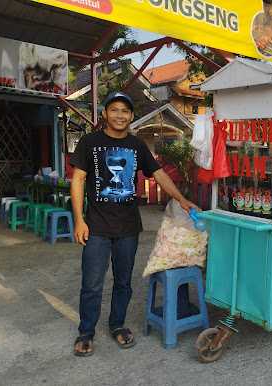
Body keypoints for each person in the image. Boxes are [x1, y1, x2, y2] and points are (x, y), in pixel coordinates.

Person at [70, 91, 197, 357]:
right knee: (92, 283)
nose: (119, 115)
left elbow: (160, 174)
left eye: (125, 111)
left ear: (130, 116)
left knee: (124, 282)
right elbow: (78, 180)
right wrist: (79, 219)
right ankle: (86, 332)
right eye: (114, 110)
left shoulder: (137, 145)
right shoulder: (89, 142)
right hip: (96, 226)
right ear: (105, 113)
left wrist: (182, 200)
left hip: (128, 227)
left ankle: (117, 325)